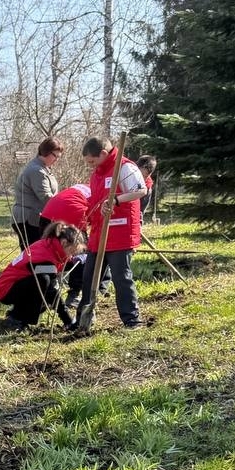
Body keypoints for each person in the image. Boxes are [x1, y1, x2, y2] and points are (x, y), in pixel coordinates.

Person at [76, 137, 148, 330]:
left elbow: (141, 190)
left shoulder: (124, 168)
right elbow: (95, 201)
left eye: (92, 161)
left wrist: (116, 200)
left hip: (120, 233)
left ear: (103, 154)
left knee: (121, 278)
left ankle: (132, 320)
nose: (90, 165)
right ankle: (82, 321)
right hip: (100, 233)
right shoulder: (97, 173)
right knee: (89, 277)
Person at [0, 222, 87, 329]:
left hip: (18, 285)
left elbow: (61, 265)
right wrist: (67, 319)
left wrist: (77, 261)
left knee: (43, 290)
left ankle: (16, 312)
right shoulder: (44, 255)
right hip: (6, 289)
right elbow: (51, 291)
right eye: (72, 251)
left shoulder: (50, 246)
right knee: (43, 284)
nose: (71, 255)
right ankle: (17, 318)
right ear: (64, 243)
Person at [11, 137, 64, 251]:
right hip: (28, 220)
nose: (57, 160)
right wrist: (65, 205)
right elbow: (46, 197)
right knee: (33, 255)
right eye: (55, 156)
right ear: (46, 152)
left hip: (33, 218)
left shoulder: (43, 168)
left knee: (35, 254)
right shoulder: (37, 170)